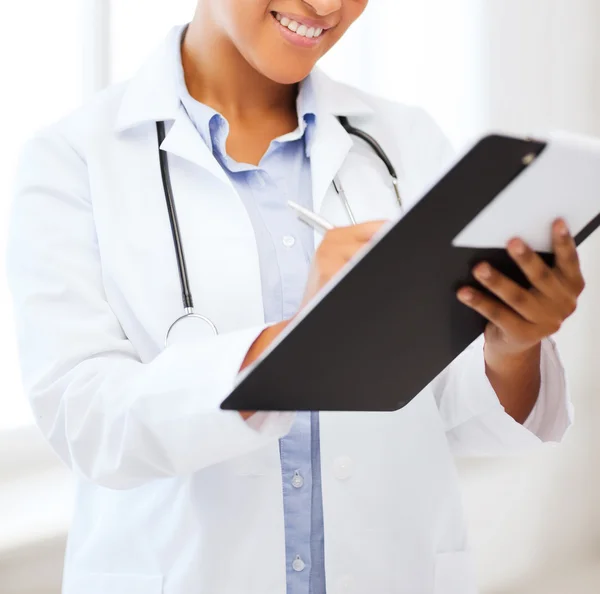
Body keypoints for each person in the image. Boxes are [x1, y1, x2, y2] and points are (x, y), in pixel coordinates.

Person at [7, 1, 585, 593]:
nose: (328, 5)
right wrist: (301, 344)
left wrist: (513, 345)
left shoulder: (406, 143)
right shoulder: (71, 159)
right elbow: (88, 422)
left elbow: (457, 413)